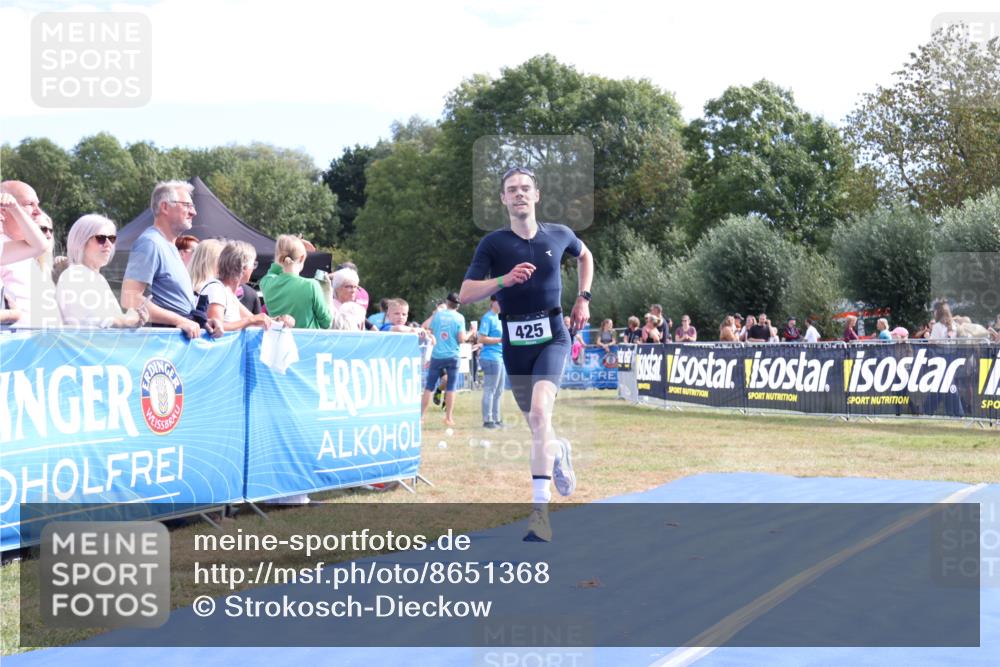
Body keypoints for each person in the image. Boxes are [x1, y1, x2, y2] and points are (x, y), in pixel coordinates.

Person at [459, 166, 593, 542]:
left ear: (536, 195)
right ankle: (560, 449)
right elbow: (466, 292)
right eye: (511, 190)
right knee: (539, 426)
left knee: (538, 413)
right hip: (514, 344)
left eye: (525, 189)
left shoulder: (560, 234)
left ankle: (539, 513)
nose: (519, 194)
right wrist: (504, 280)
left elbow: (586, 257)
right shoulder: (494, 244)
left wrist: (583, 298)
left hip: (554, 335)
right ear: (503, 199)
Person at [121, 181, 222, 339]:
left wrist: (204, 322)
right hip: (163, 343)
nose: (194, 212)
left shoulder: (168, 245)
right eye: (187, 205)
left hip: (175, 341)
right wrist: (179, 320)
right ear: (165, 207)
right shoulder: (150, 243)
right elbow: (130, 299)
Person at [56, 214, 148, 328]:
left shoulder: (97, 278)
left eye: (112, 238)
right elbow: (92, 321)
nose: (108, 244)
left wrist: (135, 316)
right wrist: (127, 321)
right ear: (81, 241)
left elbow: (109, 319)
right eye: (101, 238)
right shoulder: (74, 275)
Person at [0, 181, 60, 328]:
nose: (38, 211)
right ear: (3, 209)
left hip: (43, 341)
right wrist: (12, 315)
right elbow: (40, 246)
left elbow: (41, 246)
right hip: (15, 344)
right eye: (29, 204)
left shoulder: (23, 251)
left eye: (37, 204)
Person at [258, 234, 333, 330]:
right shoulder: (311, 285)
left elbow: (274, 269)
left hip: (279, 342)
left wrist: (289, 246)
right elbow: (327, 323)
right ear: (302, 258)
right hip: (306, 343)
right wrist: (327, 294)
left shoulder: (266, 283)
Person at [213, 240, 291, 331]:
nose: (253, 269)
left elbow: (256, 321)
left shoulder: (228, 292)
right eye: (253, 264)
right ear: (244, 267)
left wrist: (279, 321)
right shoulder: (217, 289)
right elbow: (215, 328)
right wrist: (251, 320)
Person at [420, 292, 469, 427]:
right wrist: (471, 333)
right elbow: (461, 339)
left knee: (428, 387)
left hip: (437, 355)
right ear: (458, 306)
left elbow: (425, 327)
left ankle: (421, 417)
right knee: (451, 388)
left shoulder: (437, 315)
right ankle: (448, 418)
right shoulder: (460, 317)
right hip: (453, 356)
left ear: (447, 302)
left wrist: (435, 315)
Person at [478, 295, 506, 429]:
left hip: (500, 357)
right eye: (499, 301)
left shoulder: (500, 318)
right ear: (492, 302)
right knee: (490, 389)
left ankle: (497, 419)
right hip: (490, 357)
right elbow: (481, 338)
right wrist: (499, 340)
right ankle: (487, 419)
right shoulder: (488, 318)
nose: (502, 303)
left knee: (499, 390)